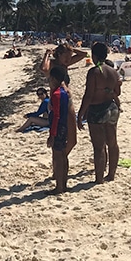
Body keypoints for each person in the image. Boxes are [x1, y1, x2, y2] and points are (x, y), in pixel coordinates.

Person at [77, 42, 122, 184]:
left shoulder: (94, 72)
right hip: (112, 107)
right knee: (112, 143)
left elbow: (88, 95)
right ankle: (111, 175)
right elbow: (117, 92)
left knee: (99, 146)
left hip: (97, 110)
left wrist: (81, 114)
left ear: (94, 55)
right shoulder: (113, 71)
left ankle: (99, 179)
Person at [47, 66, 77, 194]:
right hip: (64, 126)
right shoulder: (65, 92)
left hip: (59, 127)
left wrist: (52, 135)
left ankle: (59, 187)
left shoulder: (56, 94)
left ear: (53, 79)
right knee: (63, 157)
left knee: (59, 158)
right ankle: (63, 184)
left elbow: (56, 116)